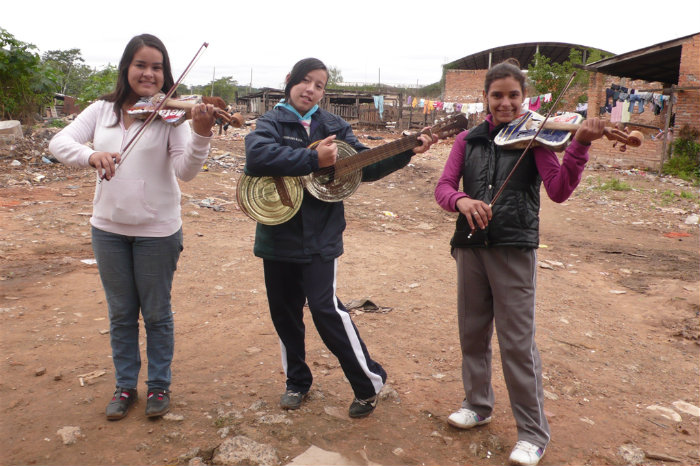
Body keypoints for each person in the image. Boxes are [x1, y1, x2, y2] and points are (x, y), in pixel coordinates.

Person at [434, 59, 605, 466]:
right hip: (471, 246)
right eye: (498, 95)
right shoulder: (468, 140)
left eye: (514, 95)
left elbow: (559, 190)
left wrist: (578, 145)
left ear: (524, 97)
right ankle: (477, 405)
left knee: (516, 343)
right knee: (472, 334)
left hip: (514, 247)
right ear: (485, 98)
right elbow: (443, 188)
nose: (506, 103)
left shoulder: (539, 137)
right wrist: (462, 200)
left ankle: (532, 433)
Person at [244, 57, 437, 418]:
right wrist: (311, 159)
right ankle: (296, 382)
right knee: (284, 313)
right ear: (290, 81)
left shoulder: (334, 125)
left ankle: (368, 383)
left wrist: (406, 151)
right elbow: (256, 157)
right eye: (305, 81)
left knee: (325, 308)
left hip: (321, 235)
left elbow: (365, 165)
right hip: (276, 236)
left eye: (319, 85)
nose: (310, 89)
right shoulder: (271, 122)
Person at [49, 33, 217, 421]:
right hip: (107, 229)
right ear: (127, 67)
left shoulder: (172, 118)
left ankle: (159, 385)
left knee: (157, 313)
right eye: (141, 64)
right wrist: (92, 154)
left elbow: (186, 172)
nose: (149, 73)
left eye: (157, 67)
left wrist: (202, 134)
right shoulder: (101, 110)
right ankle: (125, 385)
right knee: (121, 313)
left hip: (157, 231)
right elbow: (60, 143)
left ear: (165, 74)